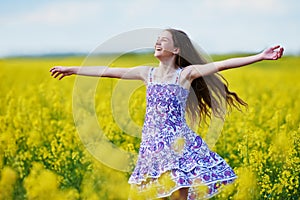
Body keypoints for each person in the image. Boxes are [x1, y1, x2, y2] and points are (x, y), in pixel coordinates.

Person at [50, 28, 284, 200]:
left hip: (178, 145)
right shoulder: (146, 73)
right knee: (157, 196)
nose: (157, 43)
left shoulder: (185, 74)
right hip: (152, 146)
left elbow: (222, 65)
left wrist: (260, 56)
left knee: (178, 196)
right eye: (157, 40)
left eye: (163, 40)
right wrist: (72, 70)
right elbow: (108, 71)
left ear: (176, 49)